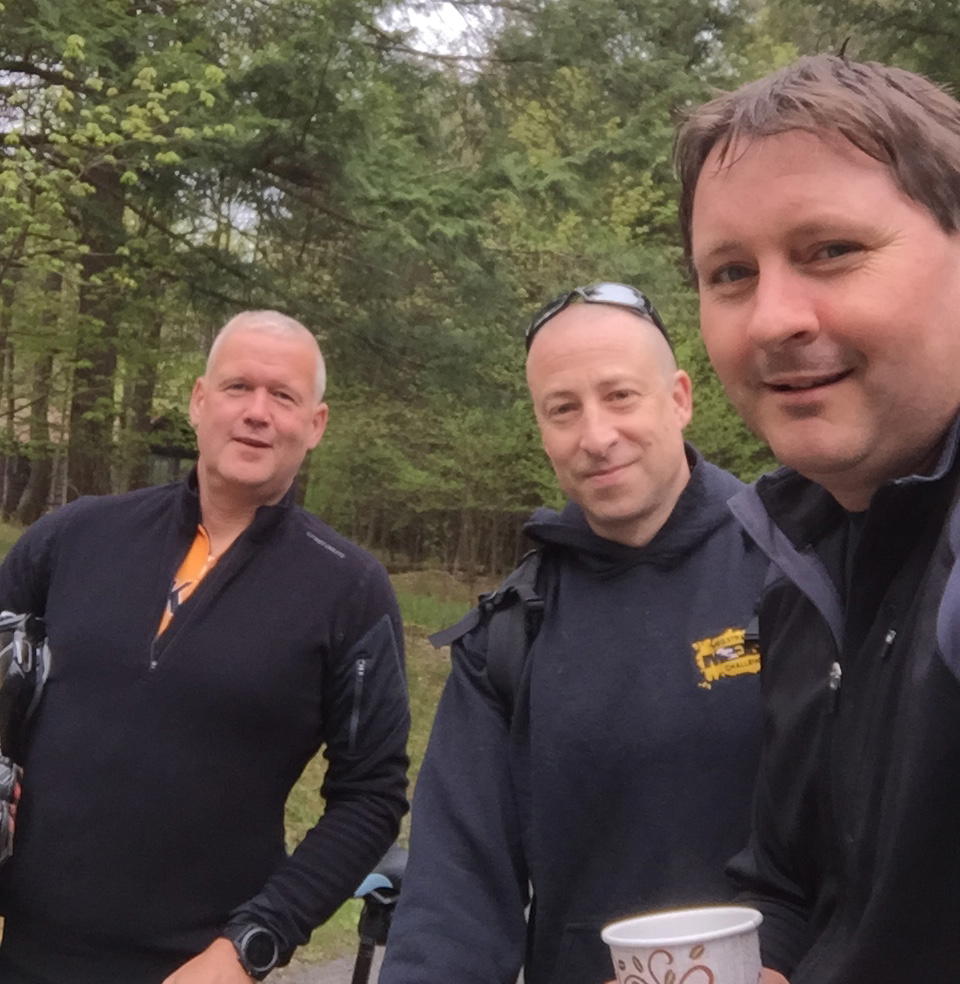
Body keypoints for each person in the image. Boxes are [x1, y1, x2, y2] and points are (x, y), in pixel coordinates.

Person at [0, 310, 410, 984]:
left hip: (197, 967)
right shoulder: (73, 538)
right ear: (198, 400)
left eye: (283, 396)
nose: (257, 412)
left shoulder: (350, 591)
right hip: (23, 952)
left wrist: (252, 943)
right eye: (237, 387)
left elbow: (371, 796)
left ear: (316, 424)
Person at [380, 283, 766, 984]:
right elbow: (454, 895)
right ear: (542, 429)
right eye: (563, 409)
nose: (596, 436)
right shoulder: (510, 632)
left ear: (679, 398)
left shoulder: (795, 573)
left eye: (620, 396)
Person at [675, 53, 960, 984]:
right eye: (730, 273)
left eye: (831, 250)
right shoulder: (798, 557)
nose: (772, 320)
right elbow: (800, 887)